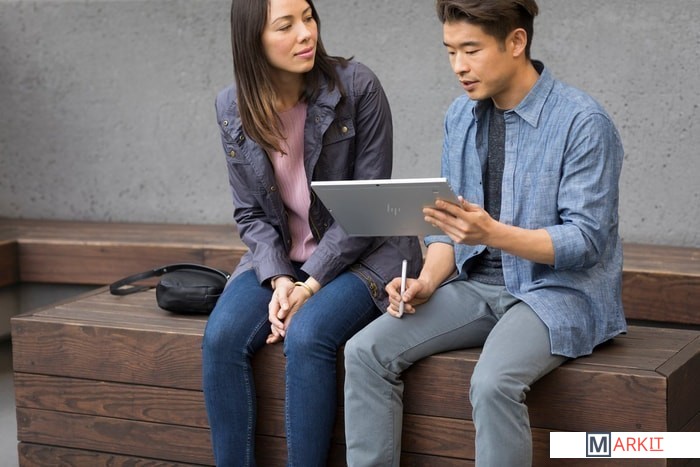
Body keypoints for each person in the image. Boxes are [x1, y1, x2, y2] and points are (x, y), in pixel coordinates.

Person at [343, 0, 626, 465]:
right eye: (450, 51)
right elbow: (446, 227)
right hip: (476, 286)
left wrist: (492, 234)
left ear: (516, 42)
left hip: (556, 292)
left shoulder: (582, 122)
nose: (458, 66)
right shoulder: (461, 115)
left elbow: (586, 241)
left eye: (471, 50)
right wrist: (426, 282)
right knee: (364, 352)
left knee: (493, 383)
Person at [201, 0, 422, 466]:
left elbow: (368, 206)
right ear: (253, 41)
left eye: (308, 17)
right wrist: (281, 278)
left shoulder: (356, 87)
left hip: (366, 253)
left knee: (308, 333)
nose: (306, 33)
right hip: (284, 258)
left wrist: (309, 284)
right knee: (221, 338)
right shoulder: (232, 106)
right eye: (286, 25)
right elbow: (250, 214)